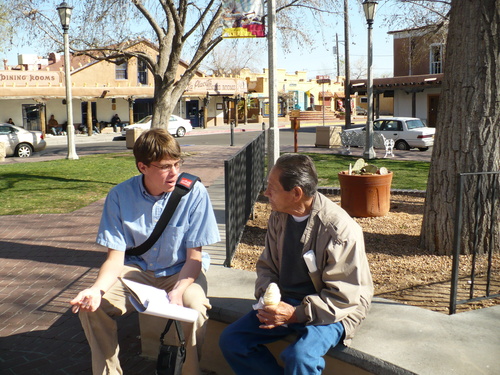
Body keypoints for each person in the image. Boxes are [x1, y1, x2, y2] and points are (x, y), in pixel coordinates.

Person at [70, 128, 220, 375]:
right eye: (164, 167)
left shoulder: (194, 193)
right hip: (136, 271)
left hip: (180, 271)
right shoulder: (119, 196)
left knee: (195, 307)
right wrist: (95, 290)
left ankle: (190, 372)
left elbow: (194, 258)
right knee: (93, 308)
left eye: (177, 164)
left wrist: (179, 291)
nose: (174, 173)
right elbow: (115, 259)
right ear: (143, 167)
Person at [219, 154, 374, 375]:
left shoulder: (339, 231)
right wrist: (268, 298)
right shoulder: (279, 215)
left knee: (300, 357)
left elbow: (343, 298)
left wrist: (295, 314)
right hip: (288, 300)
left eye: (272, 188)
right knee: (233, 340)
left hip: (335, 310)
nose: (266, 193)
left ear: (296, 193)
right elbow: (267, 267)